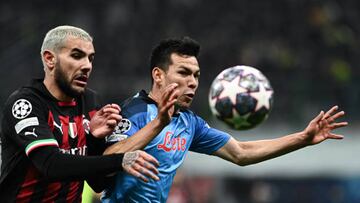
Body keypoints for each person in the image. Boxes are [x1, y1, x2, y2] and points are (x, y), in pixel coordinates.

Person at [101, 36, 348, 202]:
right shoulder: (136, 111)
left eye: (196, 75)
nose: (192, 82)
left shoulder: (189, 123)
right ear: (158, 75)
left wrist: (302, 138)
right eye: (184, 73)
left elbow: (240, 152)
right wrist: (158, 125)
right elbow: (106, 161)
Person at [0, 25, 161, 202]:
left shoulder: (90, 102)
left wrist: (94, 138)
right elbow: (50, 165)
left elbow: (98, 183)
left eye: (90, 58)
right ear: (49, 59)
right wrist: (120, 160)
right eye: (77, 56)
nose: (87, 66)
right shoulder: (26, 103)